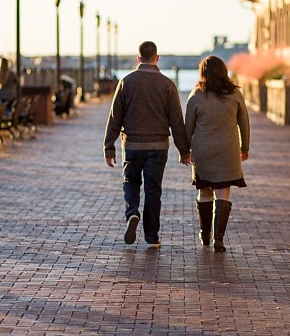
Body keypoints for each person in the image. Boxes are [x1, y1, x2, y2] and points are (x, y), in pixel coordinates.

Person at [103, 41, 190, 248]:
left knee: (130, 182)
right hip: (158, 147)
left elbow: (115, 116)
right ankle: (152, 236)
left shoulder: (126, 81)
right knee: (153, 190)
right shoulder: (167, 85)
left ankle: (132, 212)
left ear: (138, 58)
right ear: (157, 58)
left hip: (132, 145)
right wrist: (184, 151)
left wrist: (109, 147)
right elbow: (176, 121)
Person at [185, 55, 250, 252]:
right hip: (228, 150)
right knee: (223, 193)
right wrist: (244, 147)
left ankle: (205, 234)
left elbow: (188, 127)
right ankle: (218, 239)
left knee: (204, 192)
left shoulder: (196, 95)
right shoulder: (235, 94)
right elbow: (244, 124)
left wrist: (184, 150)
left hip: (203, 151)